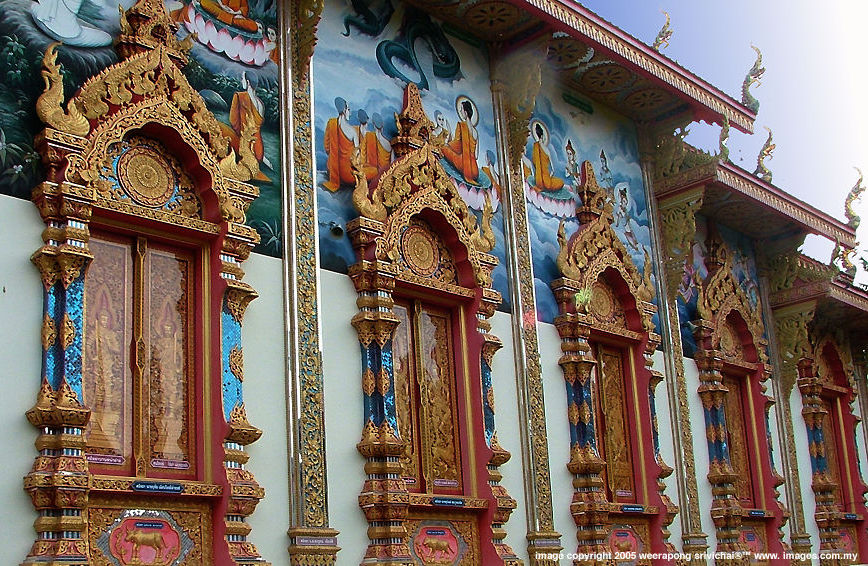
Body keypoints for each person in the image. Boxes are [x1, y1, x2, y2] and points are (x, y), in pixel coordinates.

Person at [222, 72, 271, 182]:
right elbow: (258, 126)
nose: (241, 81)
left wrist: (237, 132)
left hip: (244, 142)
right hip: (258, 148)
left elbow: (233, 120)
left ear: (248, 82)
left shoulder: (240, 96)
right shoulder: (260, 104)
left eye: (242, 79)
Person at [30, 0, 112, 47]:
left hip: (39, 16)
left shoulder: (34, 9)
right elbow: (100, 6)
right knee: (107, 38)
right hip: (66, 33)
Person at [323, 97, 360, 191]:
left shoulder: (331, 124)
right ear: (344, 110)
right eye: (348, 109)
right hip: (348, 174)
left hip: (332, 170)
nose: (349, 113)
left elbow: (327, 147)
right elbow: (357, 155)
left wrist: (334, 160)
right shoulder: (353, 131)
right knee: (374, 171)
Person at [441, 97, 479, 183]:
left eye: (461, 109)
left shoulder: (462, 125)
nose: (461, 111)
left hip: (464, 165)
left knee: (444, 148)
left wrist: (447, 144)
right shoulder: (476, 132)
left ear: (465, 112)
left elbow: (456, 146)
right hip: (475, 171)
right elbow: (476, 155)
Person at [529, 120, 564, 192]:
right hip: (547, 180)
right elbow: (553, 170)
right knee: (561, 182)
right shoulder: (546, 150)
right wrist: (549, 176)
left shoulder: (536, 147)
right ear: (542, 136)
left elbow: (534, 162)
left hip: (538, 180)